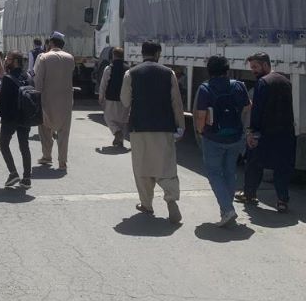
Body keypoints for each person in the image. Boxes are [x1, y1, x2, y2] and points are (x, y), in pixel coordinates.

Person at [120, 41, 186, 223]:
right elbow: (176, 102)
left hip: (139, 127)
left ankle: (146, 204)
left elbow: (125, 101)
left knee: (142, 166)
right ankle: (171, 200)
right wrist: (180, 126)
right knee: (166, 166)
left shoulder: (131, 73)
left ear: (142, 53)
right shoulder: (168, 73)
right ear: (158, 53)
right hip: (164, 127)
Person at [235, 52, 296, 212]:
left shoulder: (262, 83)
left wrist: (252, 132)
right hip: (285, 131)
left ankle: (249, 194)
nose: (253, 71)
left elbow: (257, 110)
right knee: (282, 167)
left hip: (265, 132)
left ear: (265, 64)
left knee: (254, 163)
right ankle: (282, 200)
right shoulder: (285, 81)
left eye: (255, 67)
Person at [194, 55, 250, 226]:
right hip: (235, 137)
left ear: (209, 71)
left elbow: (201, 115)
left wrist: (200, 131)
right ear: (227, 69)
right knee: (229, 172)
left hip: (213, 137)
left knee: (214, 173)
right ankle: (227, 209)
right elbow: (248, 107)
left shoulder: (205, 88)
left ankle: (227, 210)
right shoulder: (238, 85)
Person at [33, 31, 75, 171]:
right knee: (64, 132)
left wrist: (36, 97)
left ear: (51, 43)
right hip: (66, 100)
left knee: (45, 129)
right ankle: (62, 162)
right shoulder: (70, 58)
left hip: (47, 100)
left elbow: (39, 81)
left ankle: (47, 156)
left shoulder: (44, 57)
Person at [0, 51, 32, 188]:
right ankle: (27, 178)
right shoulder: (28, 77)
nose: (5, 61)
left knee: (4, 145)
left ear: (15, 61)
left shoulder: (8, 78)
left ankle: (13, 173)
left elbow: (3, 101)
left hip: (10, 118)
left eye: (8, 59)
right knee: (24, 146)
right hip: (25, 117)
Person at [98, 47, 130, 147]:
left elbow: (103, 84)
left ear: (113, 55)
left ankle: (117, 132)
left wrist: (101, 97)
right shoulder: (128, 69)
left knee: (108, 117)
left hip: (111, 97)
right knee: (122, 121)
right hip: (125, 99)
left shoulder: (109, 68)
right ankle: (120, 141)